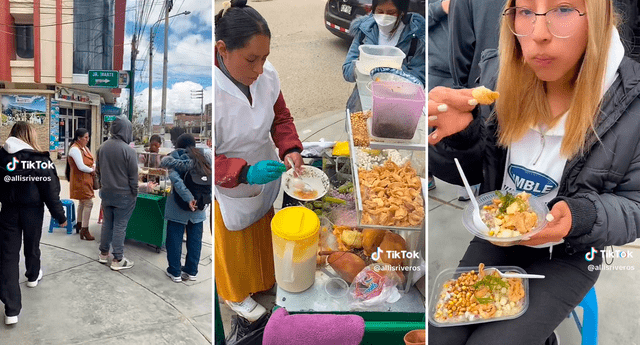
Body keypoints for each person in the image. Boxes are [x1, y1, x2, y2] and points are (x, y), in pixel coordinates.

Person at [428, 1, 639, 344]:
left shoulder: (631, 101)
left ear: (597, 17)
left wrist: (581, 216)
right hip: (496, 241)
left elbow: (635, 206)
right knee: (440, 336)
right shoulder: (497, 73)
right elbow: (461, 175)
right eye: (525, 11)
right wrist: (460, 137)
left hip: (570, 254)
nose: (538, 34)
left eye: (564, 9)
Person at [215, 0, 304, 322]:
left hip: (263, 167)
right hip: (230, 179)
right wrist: (241, 173)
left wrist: (290, 148)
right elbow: (203, 156)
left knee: (261, 230)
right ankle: (235, 294)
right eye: (251, 59)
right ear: (222, 49)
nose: (259, 68)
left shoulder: (266, 76)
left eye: (265, 58)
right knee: (235, 241)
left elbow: (280, 117)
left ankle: (263, 280)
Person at [0, 122, 67, 325]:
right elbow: (51, 191)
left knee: (7, 257)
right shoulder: (40, 160)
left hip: (8, 212)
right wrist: (60, 216)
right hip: (32, 212)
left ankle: (11, 310)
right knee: (32, 244)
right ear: (29, 136)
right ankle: (32, 275)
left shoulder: (1, 157)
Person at [160, 134, 211, 283]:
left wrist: (189, 198)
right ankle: (191, 270)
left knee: (174, 239)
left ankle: (175, 271)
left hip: (178, 206)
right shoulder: (204, 159)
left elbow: (176, 181)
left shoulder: (176, 159)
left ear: (177, 145)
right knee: (195, 240)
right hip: (200, 206)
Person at [342, 0, 426, 86]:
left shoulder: (415, 37)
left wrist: (396, 70)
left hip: (397, 96)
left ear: (402, 12)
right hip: (365, 95)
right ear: (373, 10)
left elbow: (420, 79)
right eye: (380, 12)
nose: (384, 17)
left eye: (391, 12)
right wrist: (361, 64)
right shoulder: (364, 31)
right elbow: (347, 71)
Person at [96, 116, 138, 271]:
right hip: (124, 195)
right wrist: (135, 192)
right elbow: (133, 177)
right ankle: (118, 258)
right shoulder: (129, 151)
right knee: (120, 225)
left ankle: (103, 253)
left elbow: (98, 171)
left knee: (107, 223)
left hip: (106, 193)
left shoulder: (102, 148)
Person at [427, 0, 452, 191]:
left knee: (467, 126)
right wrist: (441, 7)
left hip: (468, 68)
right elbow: (417, 20)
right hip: (437, 71)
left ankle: (467, 183)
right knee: (430, 124)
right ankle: (428, 174)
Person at [65, 128, 96, 240]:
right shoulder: (74, 149)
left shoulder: (84, 148)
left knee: (83, 203)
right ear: (79, 138)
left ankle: (80, 224)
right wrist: (92, 170)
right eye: (85, 137)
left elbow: (92, 161)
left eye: (88, 137)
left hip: (85, 180)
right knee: (88, 203)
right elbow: (81, 166)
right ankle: (84, 229)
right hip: (80, 181)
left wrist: (93, 166)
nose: (87, 140)